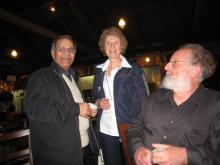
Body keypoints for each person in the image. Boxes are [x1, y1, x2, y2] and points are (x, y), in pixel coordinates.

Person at [127, 43, 220, 165]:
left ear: (195, 71)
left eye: (174, 63)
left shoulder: (215, 103)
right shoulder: (155, 97)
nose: (166, 67)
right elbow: (134, 128)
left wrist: (186, 156)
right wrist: (138, 149)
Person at [24, 35, 97, 165]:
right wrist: (75, 108)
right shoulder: (40, 76)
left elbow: (76, 111)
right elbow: (34, 109)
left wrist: (87, 111)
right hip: (60, 156)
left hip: (86, 149)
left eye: (71, 50)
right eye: (61, 49)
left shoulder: (73, 77)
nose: (67, 53)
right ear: (53, 53)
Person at [92, 27, 149, 165]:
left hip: (130, 128)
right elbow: (95, 96)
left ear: (121, 46)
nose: (112, 47)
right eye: (108, 43)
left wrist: (146, 125)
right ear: (104, 48)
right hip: (106, 129)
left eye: (116, 43)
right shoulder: (99, 71)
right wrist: (99, 103)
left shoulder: (133, 69)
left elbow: (144, 98)